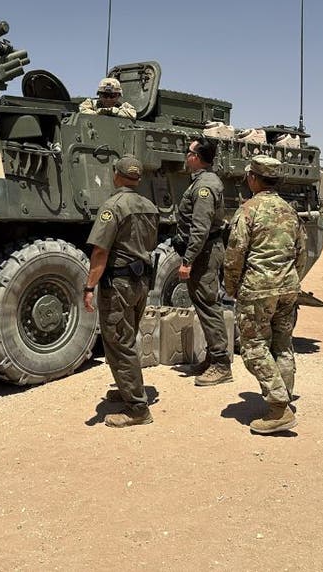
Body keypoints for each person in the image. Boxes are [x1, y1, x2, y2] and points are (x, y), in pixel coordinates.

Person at [223, 155, 307, 434]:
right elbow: (301, 253)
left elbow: (235, 255)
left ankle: (278, 407)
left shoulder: (248, 210)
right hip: (287, 288)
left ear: (253, 178)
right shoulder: (290, 211)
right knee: (282, 344)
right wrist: (292, 281)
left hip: (259, 289)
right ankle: (284, 397)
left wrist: (232, 287)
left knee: (253, 347)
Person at [84, 155, 159, 427]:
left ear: (116, 175)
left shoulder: (112, 206)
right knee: (126, 338)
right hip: (141, 281)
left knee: (119, 342)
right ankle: (129, 388)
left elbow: (101, 251)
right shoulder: (149, 206)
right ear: (137, 178)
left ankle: (137, 408)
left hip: (119, 284)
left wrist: (89, 285)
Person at [172, 137, 232, 385]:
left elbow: (201, 228)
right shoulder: (201, 181)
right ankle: (213, 356)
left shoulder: (205, 186)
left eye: (189, 152)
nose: (186, 156)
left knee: (209, 305)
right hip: (204, 251)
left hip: (205, 253)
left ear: (196, 158)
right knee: (204, 304)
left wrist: (187, 261)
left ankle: (221, 364)